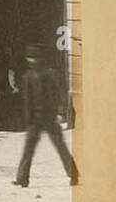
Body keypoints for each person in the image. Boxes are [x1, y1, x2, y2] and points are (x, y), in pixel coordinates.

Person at [13, 45, 79, 187]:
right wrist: (28, 119)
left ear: (40, 59)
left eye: (34, 58)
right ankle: (22, 178)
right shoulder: (27, 77)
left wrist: (60, 112)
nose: (32, 61)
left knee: (60, 146)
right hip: (35, 118)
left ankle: (74, 175)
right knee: (28, 148)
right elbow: (27, 100)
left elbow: (58, 94)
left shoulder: (50, 74)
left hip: (49, 116)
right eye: (30, 58)